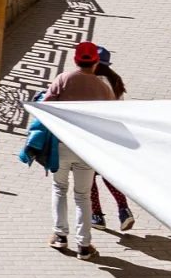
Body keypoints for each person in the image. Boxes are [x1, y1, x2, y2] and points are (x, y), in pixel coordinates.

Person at [37, 41, 119, 258]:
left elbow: (44, 105)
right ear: (95, 63)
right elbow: (112, 119)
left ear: (75, 60)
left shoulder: (63, 79)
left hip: (61, 145)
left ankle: (60, 236)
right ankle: (84, 245)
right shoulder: (104, 88)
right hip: (86, 148)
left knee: (59, 189)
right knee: (82, 196)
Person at [83, 44, 135, 233]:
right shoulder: (115, 80)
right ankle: (123, 209)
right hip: (113, 135)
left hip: (93, 135)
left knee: (89, 177)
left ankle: (97, 214)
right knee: (109, 175)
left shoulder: (93, 82)